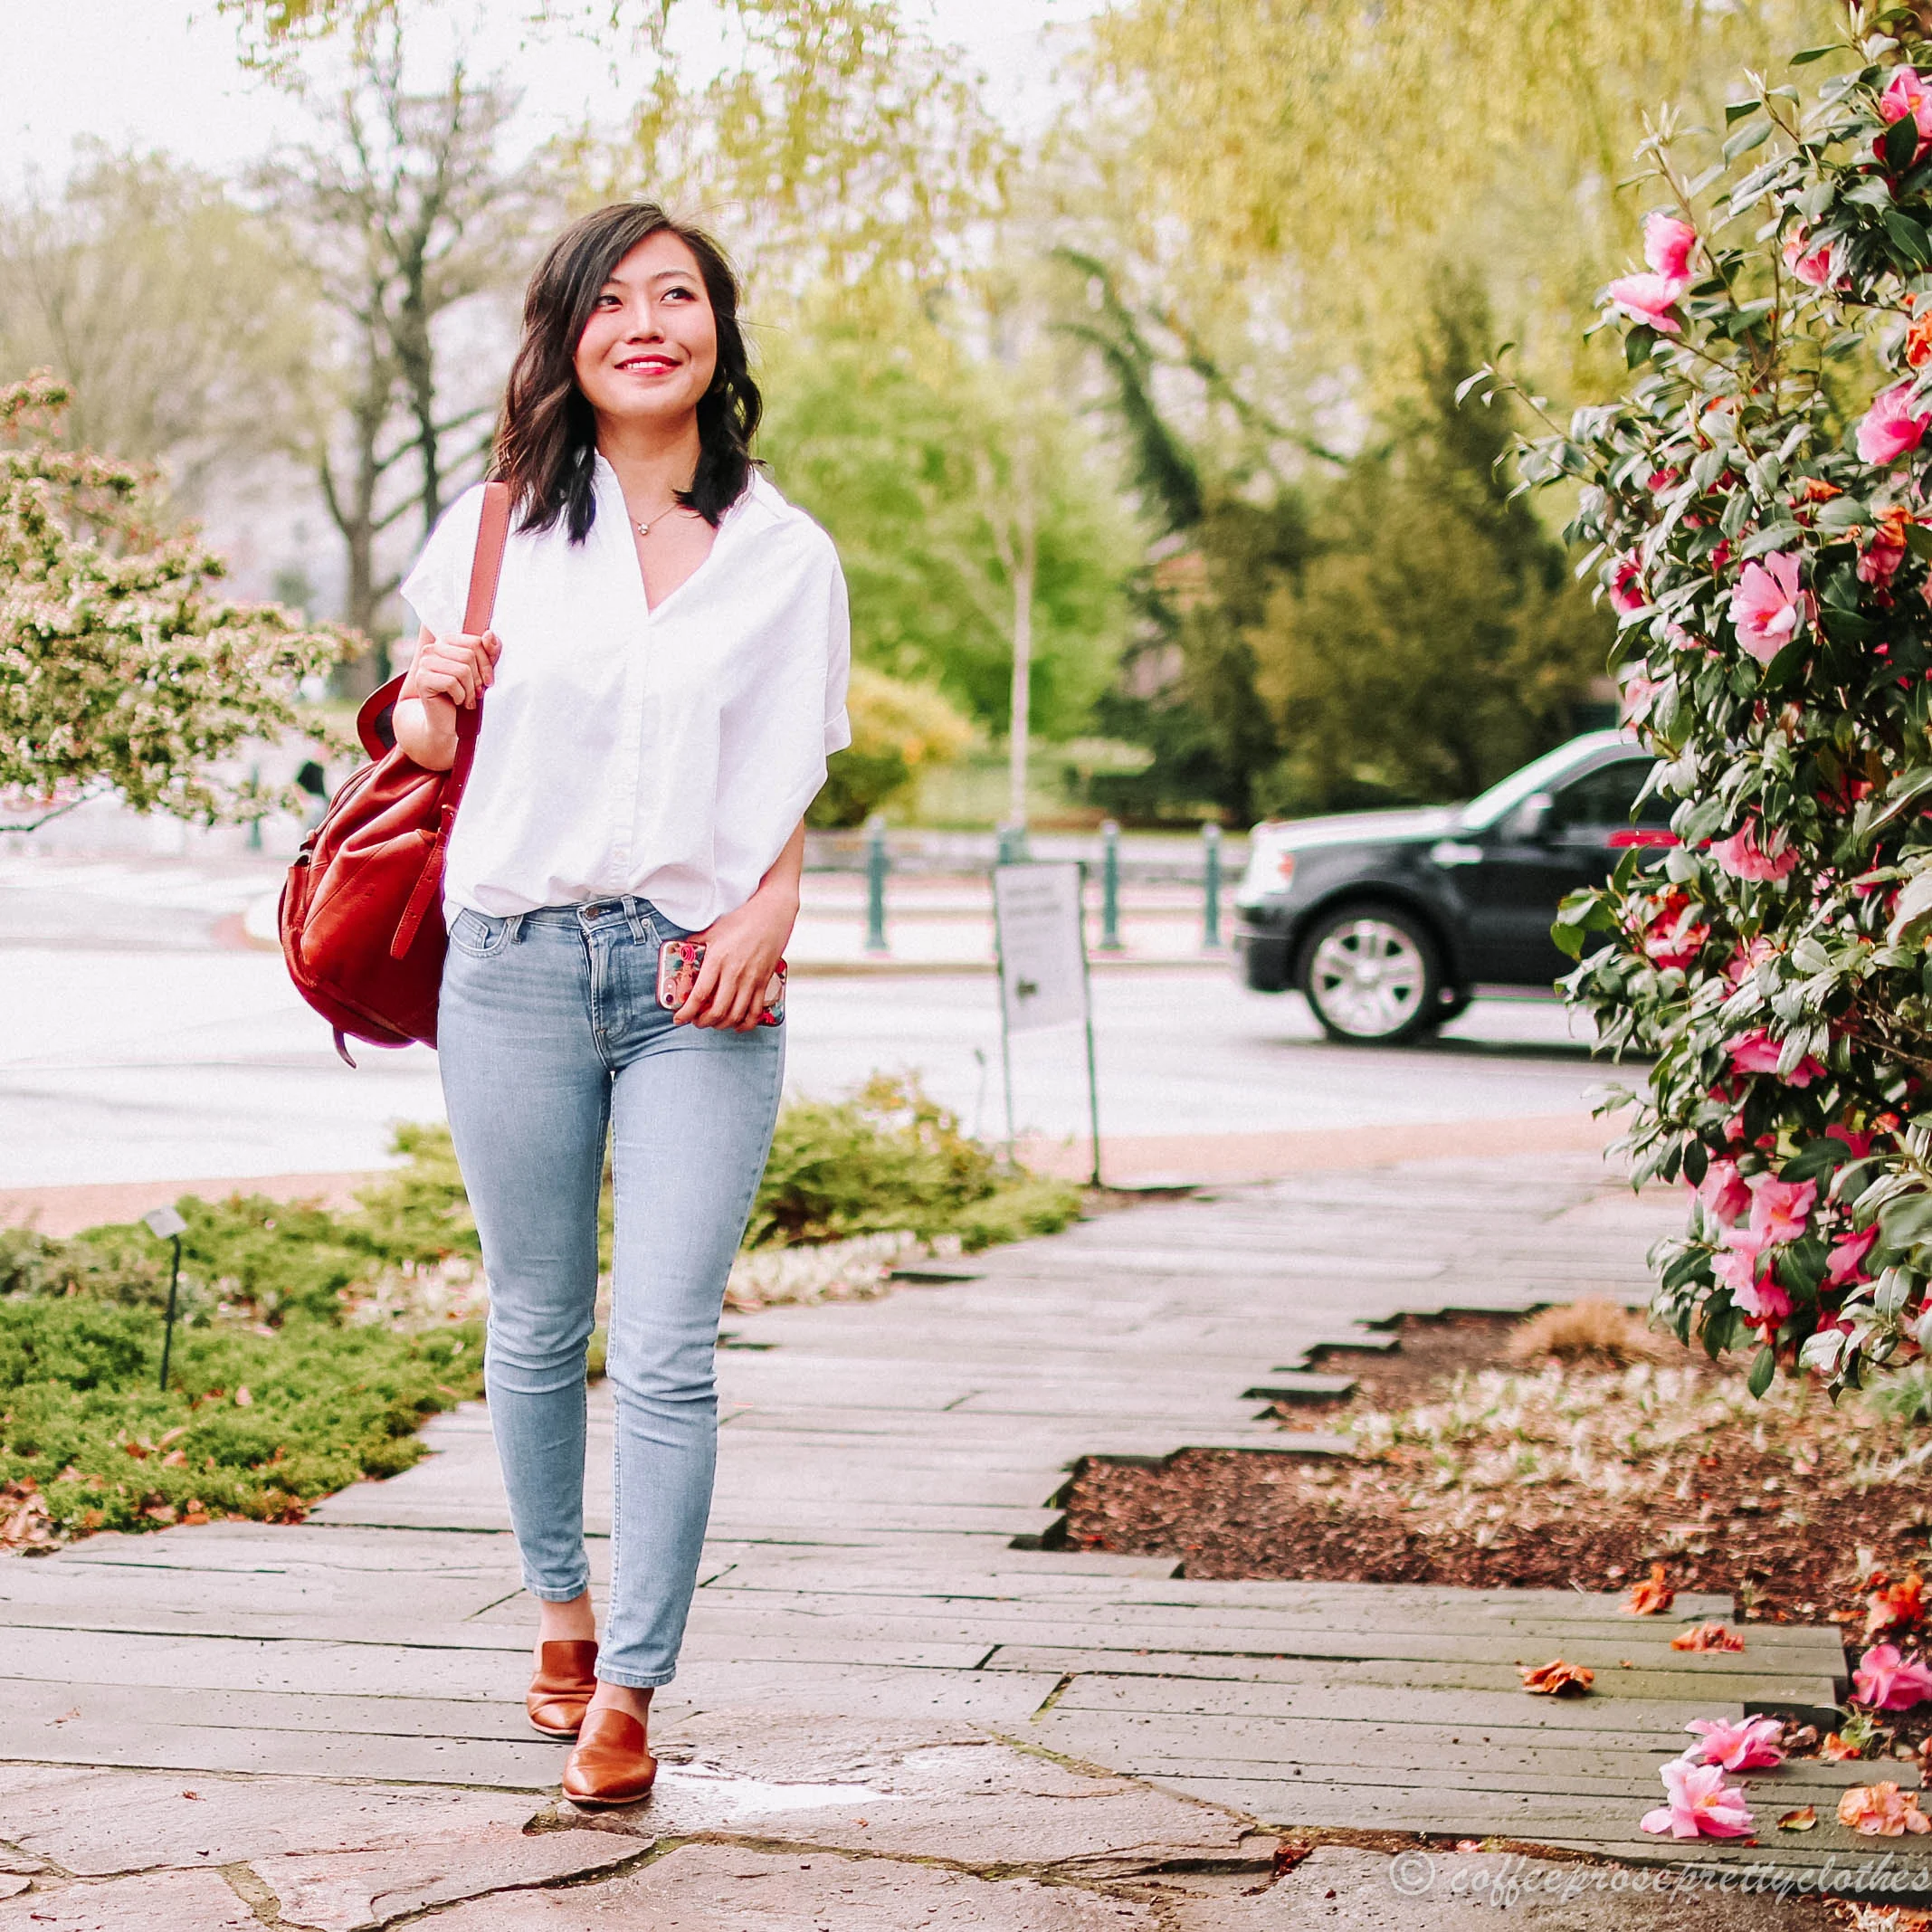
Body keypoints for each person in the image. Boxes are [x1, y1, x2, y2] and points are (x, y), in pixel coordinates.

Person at [391, 203, 850, 1807]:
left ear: (718, 334)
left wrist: (769, 909)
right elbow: (434, 764)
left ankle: (633, 1690)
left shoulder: (788, 554)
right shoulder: (495, 524)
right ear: (566, 334)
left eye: (679, 295)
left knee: (662, 1345)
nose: (646, 320)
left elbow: (786, 774)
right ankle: (562, 1612)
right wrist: (434, 702)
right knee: (536, 1319)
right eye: (612, 298)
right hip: (511, 960)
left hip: (690, 976)